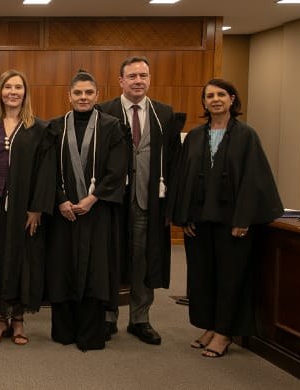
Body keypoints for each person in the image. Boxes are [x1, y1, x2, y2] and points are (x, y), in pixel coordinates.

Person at [169, 79, 282, 358]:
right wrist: (184, 217)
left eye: (221, 94)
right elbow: (183, 178)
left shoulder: (246, 136)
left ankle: (224, 333)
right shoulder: (195, 136)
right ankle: (210, 325)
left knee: (230, 278)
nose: (216, 99)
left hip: (232, 223)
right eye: (210, 96)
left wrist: (243, 219)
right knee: (203, 277)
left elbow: (253, 179)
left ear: (233, 99)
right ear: (204, 102)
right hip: (200, 221)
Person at [98, 56, 182, 345]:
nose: (138, 81)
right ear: (121, 81)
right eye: (131, 76)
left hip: (149, 201)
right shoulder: (103, 111)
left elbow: (174, 162)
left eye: (143, 75)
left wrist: (172, 205)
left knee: (144, 260)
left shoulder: (164, 114)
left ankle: (140, 318)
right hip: (112, 202)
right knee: (110, 257)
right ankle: (108, 317)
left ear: (149, 79)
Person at [46, 70, 128, 351]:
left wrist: (92, 200)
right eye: (78, 93)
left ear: (97, 96)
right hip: (64, 213)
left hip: (97, 213)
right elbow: (46, 171)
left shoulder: (112, 127)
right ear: (68, 96)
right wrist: (60, 200)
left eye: (88, 93)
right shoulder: (56, 127)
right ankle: (65, 330)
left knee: (94, 270)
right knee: (63, 268)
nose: (83, 98)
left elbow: (117, 171)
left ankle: (90, 333)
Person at [0, 70, 55, 345]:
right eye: (8, 87)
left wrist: (36, 209)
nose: (13, 92)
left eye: (18, 87)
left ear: (25, 92)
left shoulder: (39, 129)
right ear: (0, 92)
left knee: (23, 262)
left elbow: (46, 172)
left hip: (24, 209)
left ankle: (19, 320)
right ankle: (0, 320)